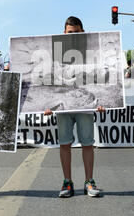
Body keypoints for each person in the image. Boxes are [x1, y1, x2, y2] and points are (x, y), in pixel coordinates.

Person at [44, 16, 105, 198]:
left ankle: (89, 181)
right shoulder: (55, 55)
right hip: (64, 106)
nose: (73, 35)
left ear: (82, 32)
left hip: (85, 106)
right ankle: (67, 182)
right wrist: (49, 105)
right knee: (65, 144)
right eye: (70, 32)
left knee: (87, 144)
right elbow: (49, 80)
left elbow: (100, 77)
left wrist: (102, 101)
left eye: (77, 32)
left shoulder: (93, 54)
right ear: (64, 33)